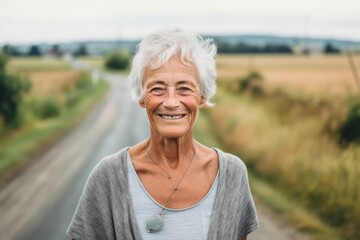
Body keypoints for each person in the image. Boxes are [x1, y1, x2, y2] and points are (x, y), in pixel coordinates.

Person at [67, 28, 259, 240]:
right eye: (157, 89)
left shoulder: (231, 174)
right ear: (141, 97)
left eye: (184, 88)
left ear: (202, 97)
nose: (170, 102)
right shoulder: (107, 177)